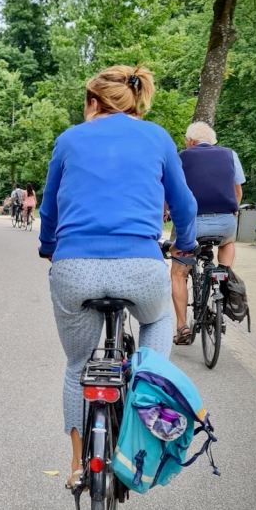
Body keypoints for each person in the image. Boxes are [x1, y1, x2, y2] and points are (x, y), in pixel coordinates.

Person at [38, 64, 196, 488]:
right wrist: (184, 244)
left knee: (77, 366)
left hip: (75, 269)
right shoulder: (158, 136)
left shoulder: (69, 139)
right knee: (160, 319)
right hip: (140, 268)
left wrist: (48, 248)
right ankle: (148, 398)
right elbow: (184, 206)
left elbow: (49, 207)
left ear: (93, 102)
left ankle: (76, 467)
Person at [170, 120, 247, 344]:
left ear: (191, 141)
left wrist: (167, 211)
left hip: (191, 226)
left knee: (178, 273)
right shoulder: (230, 154)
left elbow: (173, 191)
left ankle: (182, 327)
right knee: (228, 241)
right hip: (225, 224)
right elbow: (238, 191)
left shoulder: (182, 157)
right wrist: (231, 213)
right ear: (213, 141)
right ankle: (224, 273)